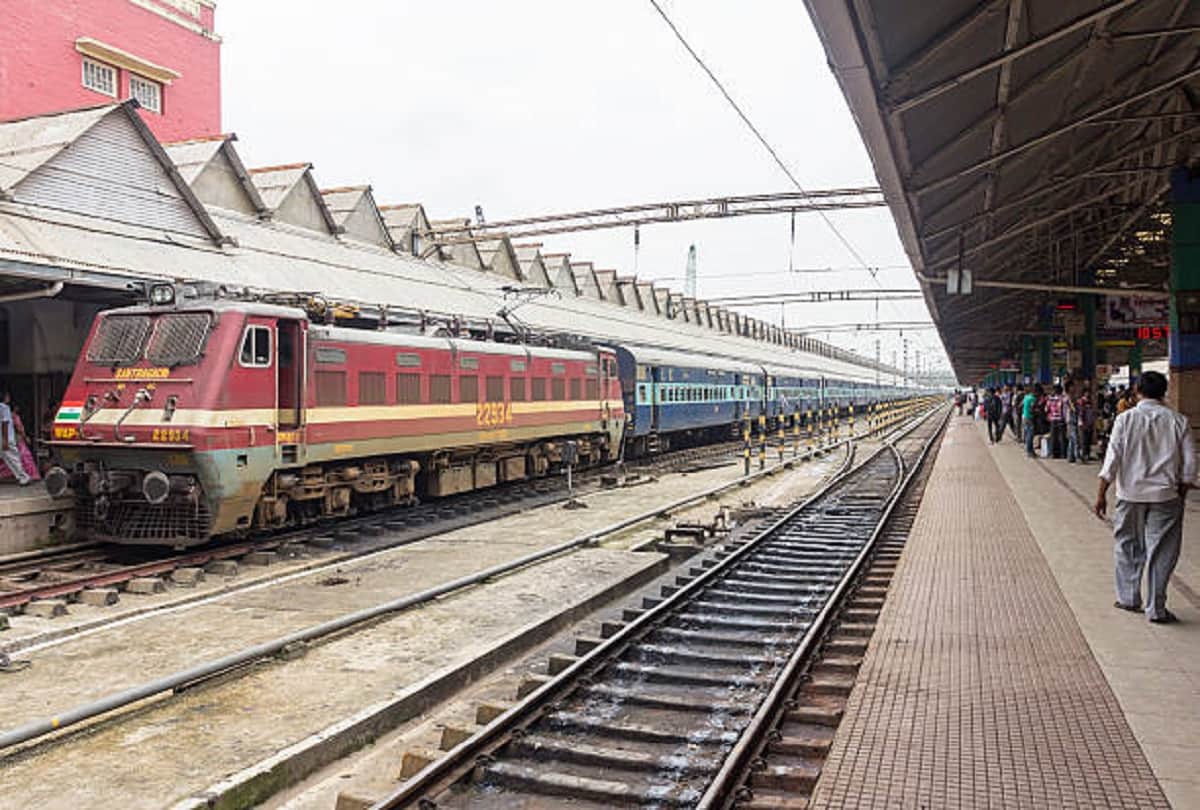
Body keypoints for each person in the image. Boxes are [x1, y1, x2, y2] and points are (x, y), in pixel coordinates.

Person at [1095, 371, 1193, 624]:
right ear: (1165, 391)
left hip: (1129, 494)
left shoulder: (1125, 419)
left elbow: (1112, 457)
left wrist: (1101, 494)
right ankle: (1156, 609)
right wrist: (1180, 491)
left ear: (1137, 390)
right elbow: (1191, 463)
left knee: (1127, 545)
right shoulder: (1178, 421)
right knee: (1161, 551)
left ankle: (1128, 598)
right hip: (1166, 495)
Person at [0, 387, 31, 486]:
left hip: (5, 438)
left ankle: (23, 477)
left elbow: (5, 423)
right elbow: (5, 423)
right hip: (5, 438)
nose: (9, 398)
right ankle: (23, 477)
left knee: (12, 458)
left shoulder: (3, 407)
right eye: (7, 396)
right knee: (12, 458)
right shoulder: (4, 407)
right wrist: (5, 440)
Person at [1047, 384, 1067, 459]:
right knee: (1061, 437)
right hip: (1061, 419)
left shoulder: (1050, 398)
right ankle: (1063, 454)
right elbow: (1064, 410)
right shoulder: (1063, 398)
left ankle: (1052, 454)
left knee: (1053, 437)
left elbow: (1046, 408)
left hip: (1052, 419)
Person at [1022, 384, 1040, 458]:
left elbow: (1021, 405)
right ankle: (1029, 451)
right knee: (1030, 435)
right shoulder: (1033, 399)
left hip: (1025, 416)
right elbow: (1031, 409)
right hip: (1030, 418)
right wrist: (1037, 411)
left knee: (1027, 434)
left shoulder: (1026, 397)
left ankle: (1030, 450)